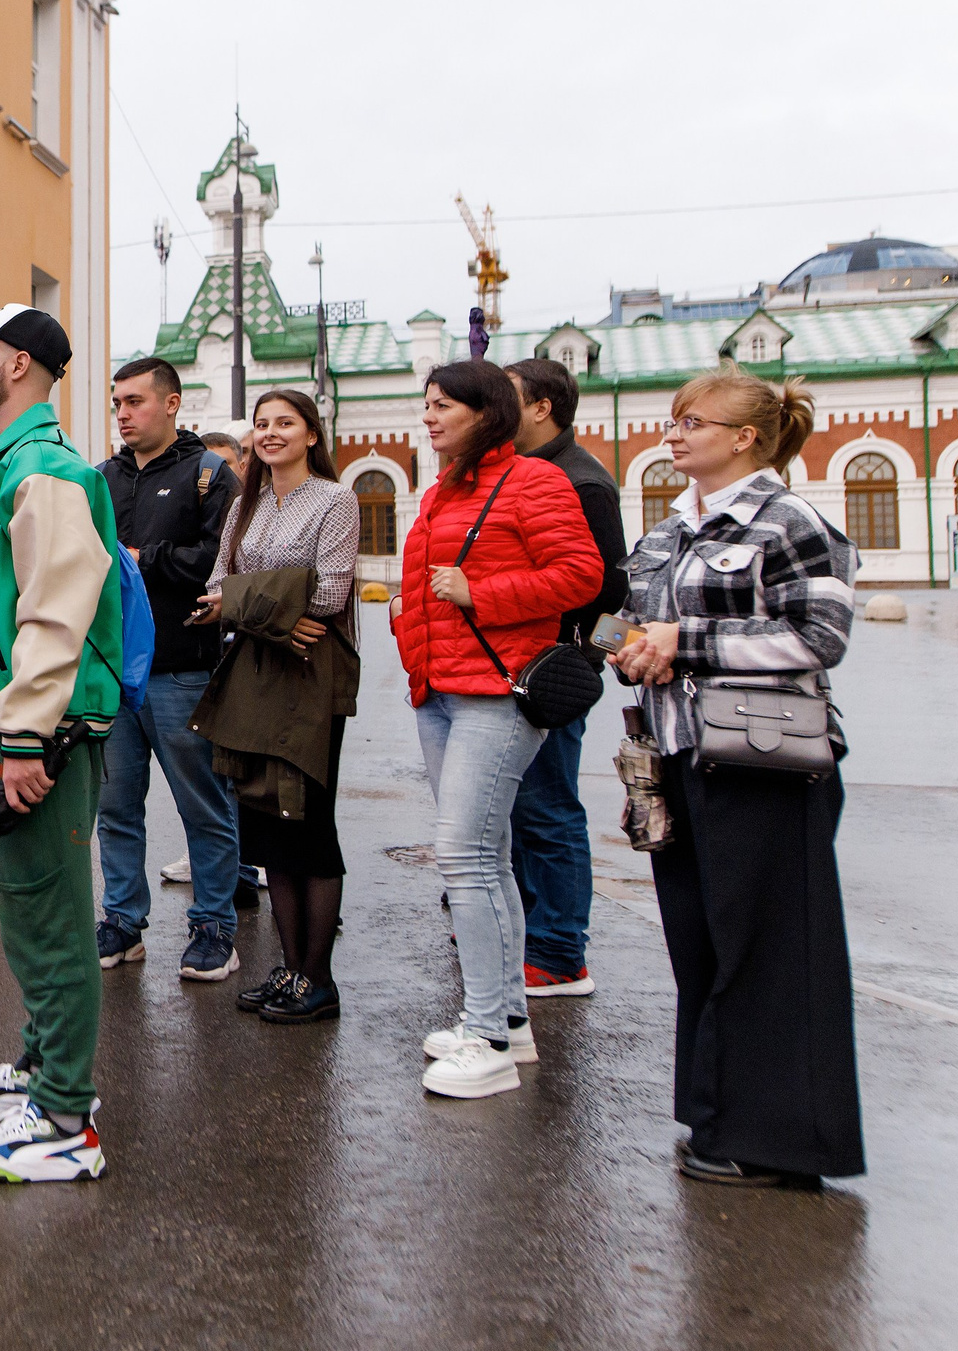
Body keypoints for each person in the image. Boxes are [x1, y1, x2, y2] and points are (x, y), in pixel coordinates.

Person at [612, 370, 860, 1188]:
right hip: (678, 755)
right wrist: (623, 645)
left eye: (693, 421)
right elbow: (630, 620)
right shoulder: (667, 529)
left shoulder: (791, 520)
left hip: (767, 762)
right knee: (702, 943)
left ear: (746, 436)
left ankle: (783, 1146)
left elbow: (817, 636)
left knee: (772, 952)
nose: (674, 434)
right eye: (673, 420)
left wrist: (682, 642)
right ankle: (717, 1120)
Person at [0, 303, 123, 1183]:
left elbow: (55, 611)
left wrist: (24, 735)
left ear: (19, 365)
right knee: (28, 912)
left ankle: (64, 1121)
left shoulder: (43, 469)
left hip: (35, 735)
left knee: (48, 918)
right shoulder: (5, 467)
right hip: (12, 725)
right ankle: (45, 1067)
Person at [394, 359, 603, 1098]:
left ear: (487, 412)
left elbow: (583, 575)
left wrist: (482, 591)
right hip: (441, 691)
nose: (430, 416)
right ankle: (506, 1020)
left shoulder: (536, 481)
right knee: (489, 853)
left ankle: (485, 1035)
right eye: (426, 404)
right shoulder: (444, 486)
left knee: (466, 857)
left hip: (496, 692)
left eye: (443, 404)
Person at [190, 390, 361, 1024]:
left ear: (312, 434)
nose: (269, 433)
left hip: (312, 678)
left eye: (284, 423)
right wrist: (273, 618)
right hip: (259, 671)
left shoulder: (334, 499)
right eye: (261, 424)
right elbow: (213, 593)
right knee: (270, 830)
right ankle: (289, 972)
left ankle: (319, 981)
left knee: (310, 826)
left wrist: (246, 605)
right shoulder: (245, 503)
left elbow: (329, 594)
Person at [94, 356, 240, 978]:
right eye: (117, 404)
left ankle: (215, 929)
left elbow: (220, 562)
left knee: (202, 804)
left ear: (173, 403)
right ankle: (123, 921)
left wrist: (142, 558)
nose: (123, 414)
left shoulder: (210, 476)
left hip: (183, 671)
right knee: (115, 806)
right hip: (112, 676)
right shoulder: (101, 478)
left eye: (135, 402)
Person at [505, 359, 628, 998]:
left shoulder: (582, 483)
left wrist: (592, 660)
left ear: (543, 407)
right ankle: (527, 927)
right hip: (515, 666)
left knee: (548, 808)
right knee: (518, 805)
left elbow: (615, 587)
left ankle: (559, 951)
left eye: (509, 397)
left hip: (551, 672)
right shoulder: (520, 472)